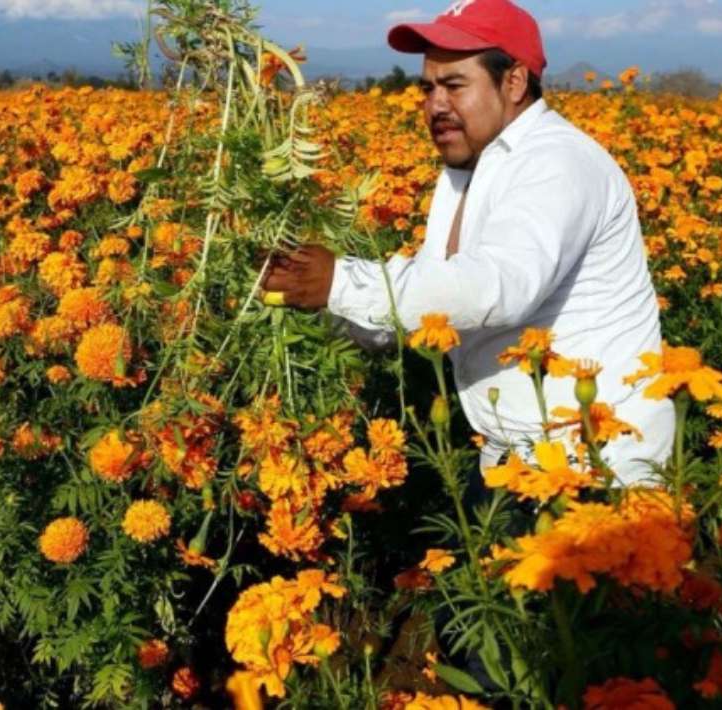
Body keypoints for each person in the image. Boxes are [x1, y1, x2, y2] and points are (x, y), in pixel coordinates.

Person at [260, 0, 673, 486]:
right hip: (513, 459)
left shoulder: (557, 162)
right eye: (428, 88)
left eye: (455, 85)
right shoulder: (468, 169)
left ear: (514, 82)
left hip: (597, 466)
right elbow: (435, 312)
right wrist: (312, 300)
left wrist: (340, 282)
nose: (435, 104)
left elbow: (491, 289)